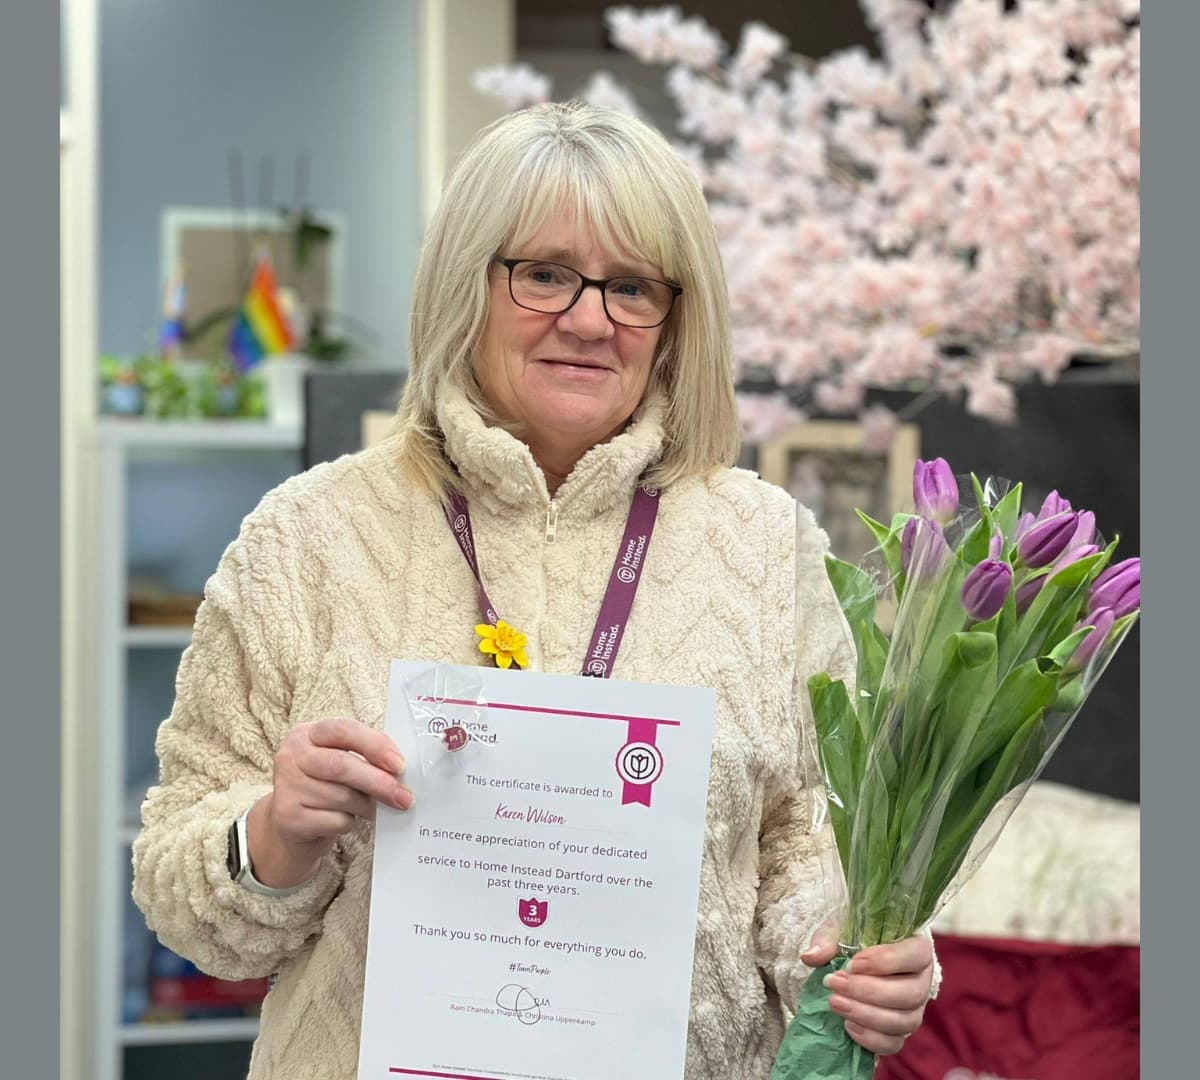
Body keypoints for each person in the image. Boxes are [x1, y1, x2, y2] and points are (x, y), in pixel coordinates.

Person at [132, 102, 937, 1079]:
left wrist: (860, 957)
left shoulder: (768, 546)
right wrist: (274, 836)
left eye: (633, 286)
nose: (591, 319)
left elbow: (808, 845)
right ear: (465, 285)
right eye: (545, 274)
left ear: (676, 318)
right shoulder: (303, 540)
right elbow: (185, 908)